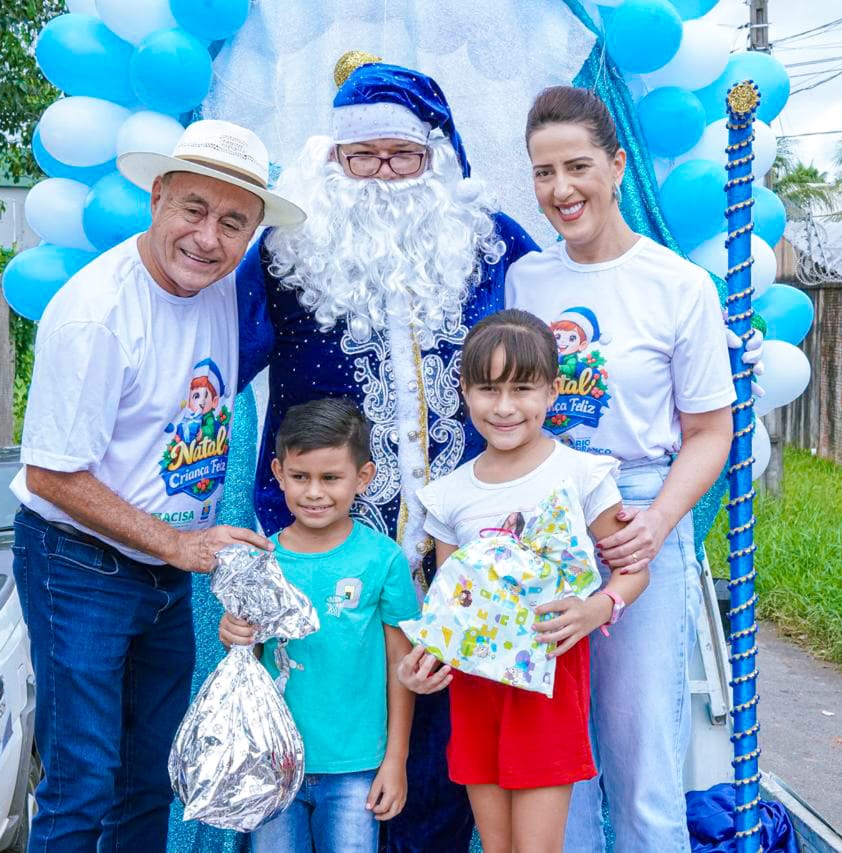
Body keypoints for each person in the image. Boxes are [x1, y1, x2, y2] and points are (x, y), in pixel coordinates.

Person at [235, 54, 539, 851]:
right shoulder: (283, 252)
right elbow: (198, 341)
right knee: (321, 747)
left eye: (401, 155)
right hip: (321, 549)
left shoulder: (494, 244)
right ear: (329, 162)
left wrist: (703, 354)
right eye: (359, 155)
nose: (380, 174)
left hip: (466, 556)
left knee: (444, 758)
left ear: (436, 159)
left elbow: (577, 324)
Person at [8, 119, 304, 852]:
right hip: (78, 565)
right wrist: (180, 541)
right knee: (82, 781)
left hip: (167, 574)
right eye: (193, 210)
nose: (208, 238)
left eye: (233, 222)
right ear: (157, 198)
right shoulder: (97, 312)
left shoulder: (223, 292)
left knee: (150, 780)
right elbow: (50, 471)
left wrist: (180, 551)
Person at [507, 86, 737, 853]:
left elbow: (711, 431)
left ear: (616, 165)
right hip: (546, 522)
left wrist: (659, 521)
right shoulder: (528, 283)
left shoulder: (678, 285)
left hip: (638, 516)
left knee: (643, 762)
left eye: (577, 166)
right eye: (543, 173)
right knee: (555, 764)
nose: (561, 190)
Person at [397, 309, 649, 853]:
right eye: (488, 388)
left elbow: (632, 571)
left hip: (549, 681)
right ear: (464, 391)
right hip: (475, 688)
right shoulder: (449, 495)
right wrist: (423, 662)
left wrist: (596, 609)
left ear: (552, 392)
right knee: (497, 846)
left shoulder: (582, 473)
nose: (505, 406)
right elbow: (450, 604)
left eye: (522, 388)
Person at [219, 399, 420, 853]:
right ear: (278, 471)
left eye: (330, 478)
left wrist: (396, 759)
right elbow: (243, 658)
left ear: (362, 477)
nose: (314, 492)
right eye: (300, 477)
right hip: (272, 763)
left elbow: (399, 662)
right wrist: (232, 633)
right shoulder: (258, 560)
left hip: (355, 765)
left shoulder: (382, 558)